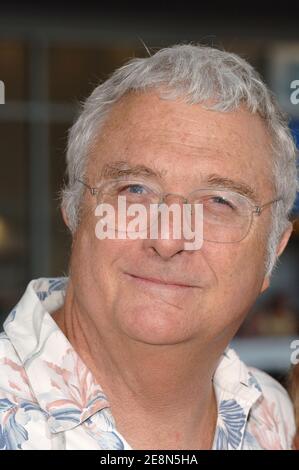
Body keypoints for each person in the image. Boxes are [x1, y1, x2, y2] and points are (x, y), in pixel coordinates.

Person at [0, 44, 298, 450]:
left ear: (273, 251)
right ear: (72, 208)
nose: (168, 239)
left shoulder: (274, 418)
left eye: (219, 202)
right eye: (134, 189)